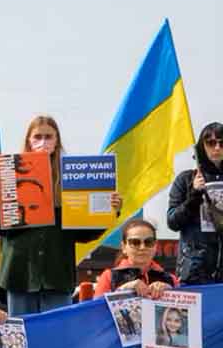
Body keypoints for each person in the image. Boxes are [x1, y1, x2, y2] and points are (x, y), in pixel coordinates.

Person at [0, 115, 121, 315]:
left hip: (57, 277)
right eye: (37, 136)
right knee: (23, 336)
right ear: (28, 140)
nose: (43, 141)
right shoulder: (10, 174)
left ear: (57, 140)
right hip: (20, 276)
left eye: (48, 136)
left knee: (57, 338)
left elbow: (85, 234)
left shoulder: (70, 178)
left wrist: (109, 210)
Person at [168, 122, 223, 286]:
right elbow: (172, 221)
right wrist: (194, 195)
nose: (217, 148)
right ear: (202, 146)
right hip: (194, 271)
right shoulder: (185, 179)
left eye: (222, 143)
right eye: (211, 143)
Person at [92, 219, 177, 299]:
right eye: (135, 242)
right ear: (124, 247)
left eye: (148, 242)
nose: (142, 247)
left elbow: (184, 312)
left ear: (155, 246)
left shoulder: (171, 279)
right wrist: (122, 290)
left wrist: (171, 292)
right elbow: (95, 311)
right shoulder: (109, 277)